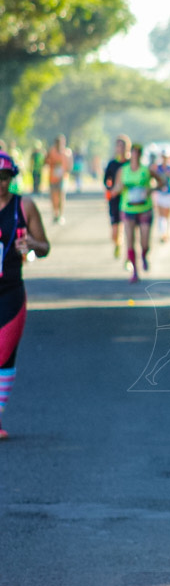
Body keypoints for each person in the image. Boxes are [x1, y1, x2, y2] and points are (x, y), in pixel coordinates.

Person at [0, 151, 50, 441]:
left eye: (5, 177)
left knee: (4, 354)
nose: (0, 183)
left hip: (10, 290)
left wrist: (30, 243)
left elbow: (44, 247)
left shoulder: (24, 206)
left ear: (12, 178)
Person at [111, 143, 164, 284]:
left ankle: (144, 255)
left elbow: (162, 181)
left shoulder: (146, 171)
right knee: (130, 241)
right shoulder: (123, 171)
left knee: (145, 242)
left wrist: (151, 189)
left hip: (144, 209)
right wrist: (119, 187)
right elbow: (114, 190)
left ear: (141, 155)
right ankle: (135, 271)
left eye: (138, 153)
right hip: (128, 209)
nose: (135, 156)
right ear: (131, 154)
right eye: (133, 153)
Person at [103, 134, 131, 259]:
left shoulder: (131, 163)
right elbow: (106, 181)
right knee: (115, 231)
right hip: (114, 199)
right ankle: (118, 244)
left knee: (128, 229)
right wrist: (111, 190)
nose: (120, 148)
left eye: (122, 146)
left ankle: (128, 255)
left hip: (128, 199)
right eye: (118, 146)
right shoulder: (112, 164)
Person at [44, 135, 72, 224]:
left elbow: (69, 164)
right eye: (58, 142)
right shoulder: (51, 151)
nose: (60, 144)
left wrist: (67, 171)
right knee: (54, 197)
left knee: (61, 196)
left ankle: (60, 215)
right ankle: (55, 214)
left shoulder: (67, 152)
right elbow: (46, 162)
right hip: (52, 178)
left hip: (63, 178)